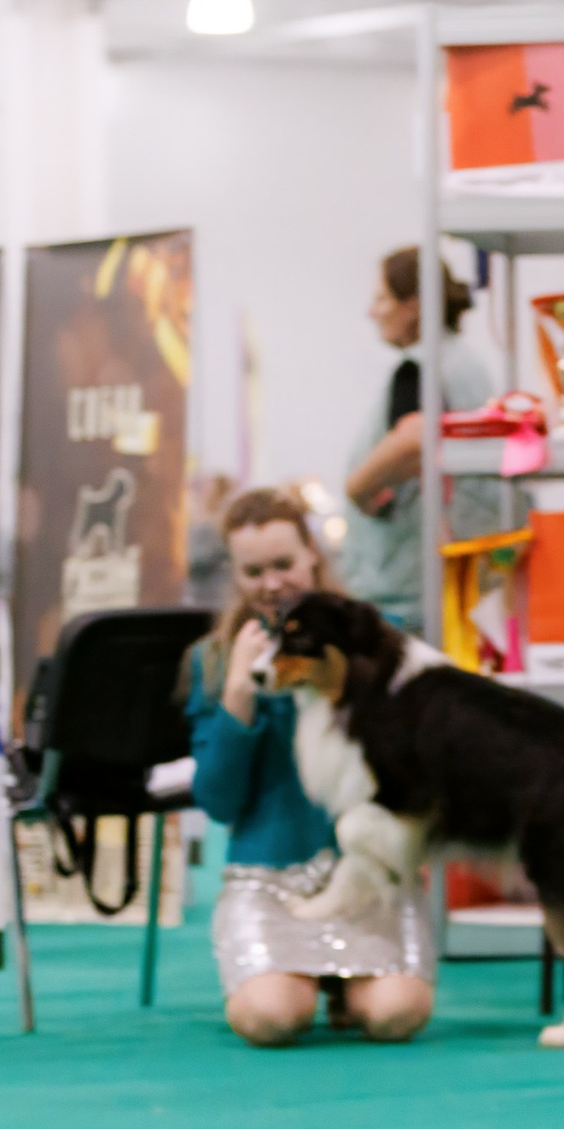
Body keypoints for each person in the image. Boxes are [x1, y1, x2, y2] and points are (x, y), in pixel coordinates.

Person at [187, 486, 434, 1046]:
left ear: (313, 556)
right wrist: (238, 692)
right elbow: (219, 802)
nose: (272, 583)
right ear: (234, 574)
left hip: (366, 872)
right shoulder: (214, 659)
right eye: (254, 571)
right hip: (268, 878)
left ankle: (351, 990)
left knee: (398, 1016)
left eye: (284, 564)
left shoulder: (381, 638)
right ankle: (299, 983)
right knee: (270, 1020)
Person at [340, 246, 497, 630]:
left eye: (381, 298)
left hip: (410, 592)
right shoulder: (465, 364)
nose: (371, 311)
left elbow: (413, 439)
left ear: (412, 306)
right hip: (462, 581)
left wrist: (357, 489)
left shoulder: (419, 368)